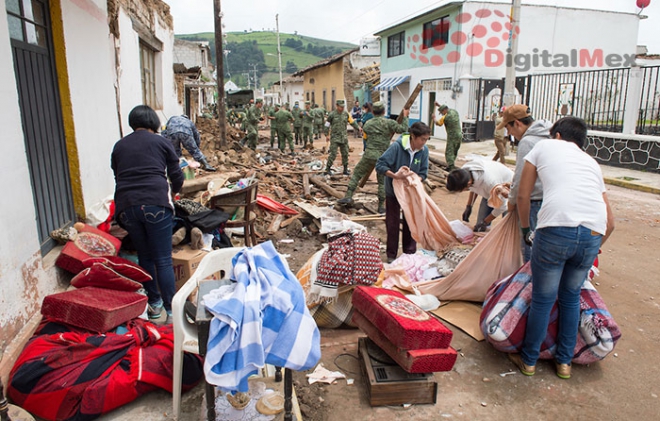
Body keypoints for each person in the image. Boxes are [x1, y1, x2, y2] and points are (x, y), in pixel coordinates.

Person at [508, 116, 615, 380]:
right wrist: (589, 249)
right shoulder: (591, 162)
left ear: (556, 135)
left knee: (543, 298)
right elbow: (610, 222)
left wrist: (525, 231)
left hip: (556, 228)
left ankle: (529, 360)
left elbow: (523, 194)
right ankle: (564, 362)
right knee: (570, 297)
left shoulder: (543, 147)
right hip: (592, 232)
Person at [111, 105, 184, 325]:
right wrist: (175, 189)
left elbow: (118, 175)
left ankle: (154, 305)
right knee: (163, 259)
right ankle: (172, 312)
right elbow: (176, 173)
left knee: (145, 256)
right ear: (153, 122)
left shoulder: (120, 145)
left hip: (127, 208)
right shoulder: (161, 142)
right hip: (155, 205)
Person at [500, 104, 552, 262]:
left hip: (533, 202)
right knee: (545, 245)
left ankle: (530, 280)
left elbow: (521, 177)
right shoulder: (550, 135)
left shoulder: (527, 142)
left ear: (517, 123)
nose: (509, 133)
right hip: (551, 199)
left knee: (529, 243)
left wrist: (511, 202)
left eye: (509, 128)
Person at [337, 102, 409, 213]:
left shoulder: (367, 124)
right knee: (382, 182)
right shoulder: (389, 123)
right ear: (384, 111)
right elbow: (403, 129)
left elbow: (365, 136)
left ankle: (349, 195)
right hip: (383, 156)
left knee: (357, 174)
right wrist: (405, 116)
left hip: (369, 154)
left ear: (373, 112)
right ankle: (381, 206)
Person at [376, 122, 431, 262]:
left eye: (426, 139)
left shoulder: (423, 151)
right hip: (393, 193)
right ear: (413, 136)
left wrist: (415, 179)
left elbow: (424, 172)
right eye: (422, 139)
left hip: (411, 194)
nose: (424, 143)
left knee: (411, 222)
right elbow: (380, 165)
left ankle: (409, 254)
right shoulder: (397, 147)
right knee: (392, 224)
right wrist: (395, 176)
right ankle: (391, 255)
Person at [446, 157, 513, 232]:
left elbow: (502, 207)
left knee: (508, 226)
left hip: (507, 190)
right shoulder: (465, 173)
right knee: (479, 228)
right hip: (489, 191)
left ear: (467, 184)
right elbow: (474, 188)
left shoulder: (490, 183)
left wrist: (484, 222)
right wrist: (469, 206)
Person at [325, 99, 361, 176]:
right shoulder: (332, 115)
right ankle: (327, 168)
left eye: (343, 107)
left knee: (345, 154)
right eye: (340, 107)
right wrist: (327, 135)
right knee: (333, 154)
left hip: (344, 138)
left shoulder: (346, 114)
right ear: (337, 106)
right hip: (335, 138)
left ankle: (345, 169)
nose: (342, 108)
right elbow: (327, 125)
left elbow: (352, 122)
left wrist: (358, 128)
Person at [434, 103, 463, 170]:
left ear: (444, 110)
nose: (442, 114)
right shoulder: (454, 112)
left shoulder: (446, 117)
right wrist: (438, 105)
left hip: (452, 137)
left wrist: (434, 118)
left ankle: (451, 167)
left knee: (449, 152)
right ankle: (452, 164)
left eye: (442, 112)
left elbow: (438, 123)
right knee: (455, 150)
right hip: (459, 135)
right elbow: (445, 108)